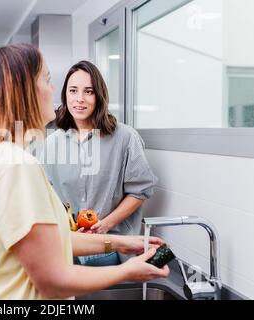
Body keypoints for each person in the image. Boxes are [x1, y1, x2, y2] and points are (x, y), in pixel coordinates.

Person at [0, 44, 168, 300]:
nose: (55, 90)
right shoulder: (18, 166)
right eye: (47, 79)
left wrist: (120, 242)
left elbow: (52, 240)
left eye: (87, 91)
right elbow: (53, 281)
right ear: (23, 91)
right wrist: (127, 272)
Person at [40, 60, 158, 267]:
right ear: (65, 95)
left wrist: (105, 225)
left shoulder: (125, 137)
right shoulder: (52, 143)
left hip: (113, 248)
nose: (79, 99)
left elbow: (140, 191)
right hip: (69, 246)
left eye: (89, 92)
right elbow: (46, 193)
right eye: (73, 90)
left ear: (99, 96)